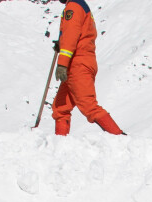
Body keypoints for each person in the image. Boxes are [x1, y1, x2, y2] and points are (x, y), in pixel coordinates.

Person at [50, 0, 124, 136]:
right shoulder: (80, 6)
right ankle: (60, 143)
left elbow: (71, 36)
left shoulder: (73, 7)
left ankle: (120, 138)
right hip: (78, 63)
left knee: (88, 105)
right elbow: (78, 35)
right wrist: (61, 44)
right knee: (60, 107)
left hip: (78, 64)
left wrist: (62, 63)